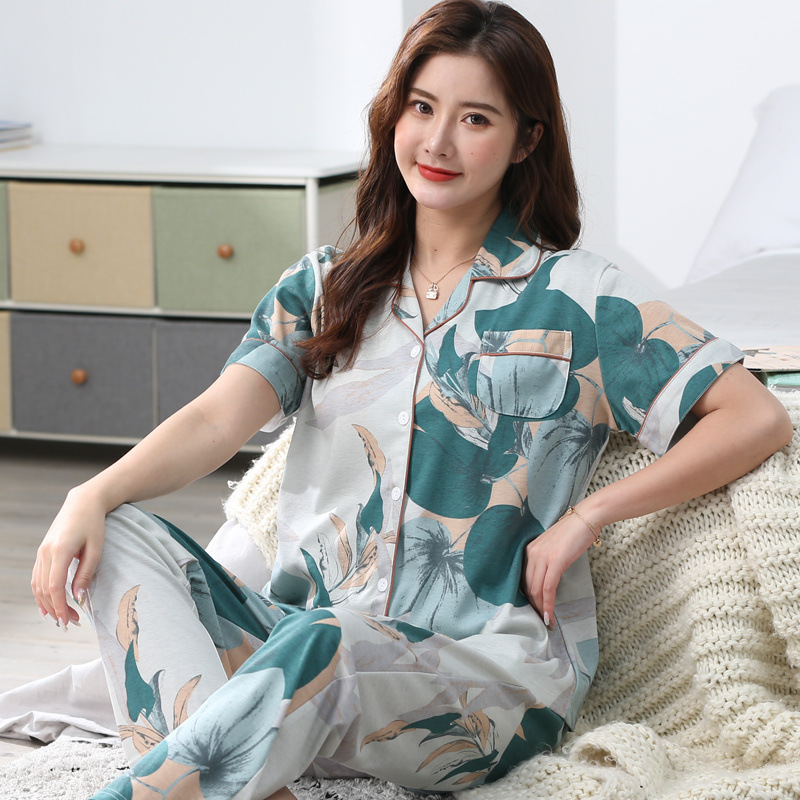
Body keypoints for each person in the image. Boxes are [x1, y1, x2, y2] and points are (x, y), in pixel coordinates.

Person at [31, 2, 792, 799]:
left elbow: (754, 416)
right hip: (298, 653)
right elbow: (217, 418)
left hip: (479, 681)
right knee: (119, 531)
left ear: (526, 140)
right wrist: (92, 493)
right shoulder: (326, 286)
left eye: (475, 119)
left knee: (334, 640)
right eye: (422, 107)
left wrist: (588, 517)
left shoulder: (581, 298)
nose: (437, 142)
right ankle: (229, 777)